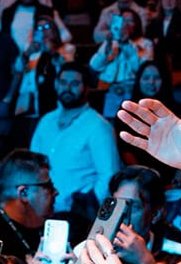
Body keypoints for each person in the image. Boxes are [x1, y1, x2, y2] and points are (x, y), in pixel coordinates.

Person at [27, 67, 122, 215]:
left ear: (86, 88)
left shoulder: (98, 126)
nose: (68, 88)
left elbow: (109, 175)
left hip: (78, 214)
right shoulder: (46, 121)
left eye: (75, 83)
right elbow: (32, 165)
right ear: (56, 84)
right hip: (41, 210)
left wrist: (87, 207)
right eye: (63, 82)